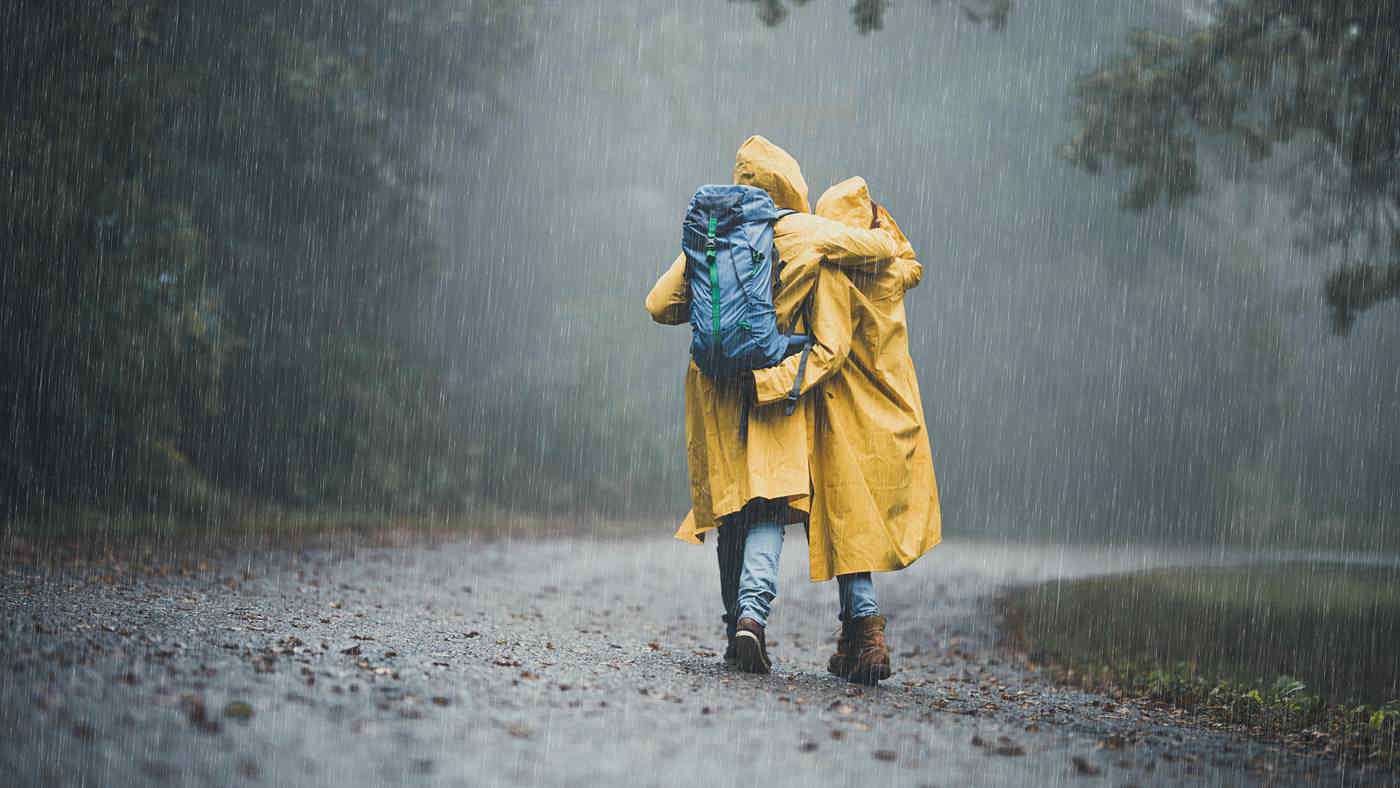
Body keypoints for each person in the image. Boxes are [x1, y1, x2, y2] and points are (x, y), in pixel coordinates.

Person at [645, 137, 900, 673]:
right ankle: (755, 618)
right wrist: (877, 230)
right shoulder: (805, 232)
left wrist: (716, 321)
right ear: (790, 184)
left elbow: (659, 304)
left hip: (715, 394)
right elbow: (879, 254)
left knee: (730, 511)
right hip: (774, 393)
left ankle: (735, 620)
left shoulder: (712, 237)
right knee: (767, 506)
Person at [781, 176, 942, 684]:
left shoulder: (831, 275)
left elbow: (828, 350)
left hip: (847, 412)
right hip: (894, 412)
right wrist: (881, 221)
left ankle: (867, 632)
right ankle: (852, 641)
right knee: (861, 526)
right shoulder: (892, 272)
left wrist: (777, 381)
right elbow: (910, 261)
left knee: (849, 525)